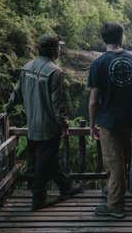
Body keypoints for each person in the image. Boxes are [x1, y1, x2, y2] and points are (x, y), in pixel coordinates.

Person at [5, 34, 82, 211]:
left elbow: (16, 93)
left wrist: (6, 109)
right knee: (43, 162)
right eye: (58, 47)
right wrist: (63, 124)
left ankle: (66, 187)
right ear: (54, 50)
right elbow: (57, 104)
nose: (60, 50)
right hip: (49, 127)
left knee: (49, 158)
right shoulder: (55, 72)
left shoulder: (27, 67)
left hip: (32, 124)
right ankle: (38, 198)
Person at [88, 22, 132, 219]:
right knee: (123, 159)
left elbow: (94, 100)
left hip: (108, 119)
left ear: (103, 39)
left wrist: (91, 123)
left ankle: (115, 206)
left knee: (113, 162)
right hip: (129, 118)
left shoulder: (98, 63)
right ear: (122, 37)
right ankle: (115, 194)